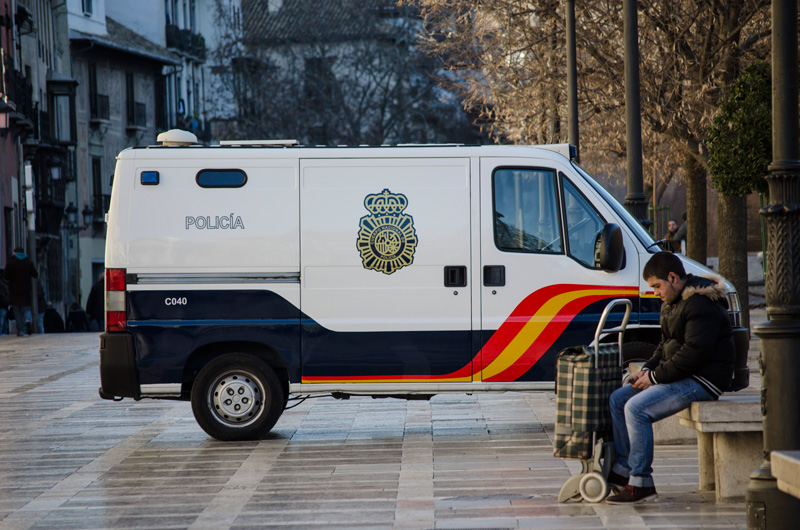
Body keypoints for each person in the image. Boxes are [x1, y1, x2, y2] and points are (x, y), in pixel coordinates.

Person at [606, 251, 734, 504]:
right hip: (683, 374)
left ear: (673, 277)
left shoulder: (701, 304)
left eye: (657, 286)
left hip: (703, 379)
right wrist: (647, 370)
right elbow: (665, 345)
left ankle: (641, 483)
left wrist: (653, 378)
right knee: (618, 399)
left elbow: (694, 354)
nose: (655, 292)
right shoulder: (673, 302)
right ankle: (623, 471)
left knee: (636, 408)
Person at [4, 247, 39, 336]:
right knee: (26, 309)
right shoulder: (28, 263)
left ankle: (20, 330)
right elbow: (35, 274)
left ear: (14, 253)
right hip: (26, 290)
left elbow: (6, 276)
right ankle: (28, 320)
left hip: (14, 291)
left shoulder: (11, 263)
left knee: (17, 311)